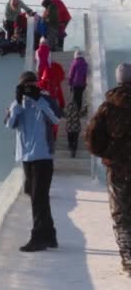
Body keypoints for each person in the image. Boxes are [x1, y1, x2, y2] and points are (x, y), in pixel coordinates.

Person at [5, 71, 60, 252]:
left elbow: (56, 118)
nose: (29, 88)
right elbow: (9, 124)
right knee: (37, 197)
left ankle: (39, 237)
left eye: (32, 84)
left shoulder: (45, 100)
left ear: (38, 84)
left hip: (43, 157)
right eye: (25, 85)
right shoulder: (17, 104)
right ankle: (50, 236)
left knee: (38, 198)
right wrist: (17, 103)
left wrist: (38, 100)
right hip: (27, 158)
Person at [85, 63, 131, 276]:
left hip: (118, 169)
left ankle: (128, 259)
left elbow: (92, 138)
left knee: (121, 214)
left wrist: (108, 154)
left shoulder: (108, 106)